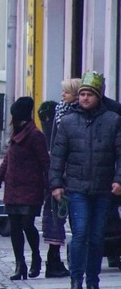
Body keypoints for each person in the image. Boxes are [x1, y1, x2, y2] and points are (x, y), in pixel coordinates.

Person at [49, 71, 121, 289]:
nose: (85, 98)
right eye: (82, 94)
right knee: (80, 234)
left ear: (99, 96)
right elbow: (58, 155)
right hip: (76, 187)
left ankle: (92, 280)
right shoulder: (69, 122)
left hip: (103, 188)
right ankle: (76, 279)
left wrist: (119, 179)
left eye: (90, 94)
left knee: (97, 237)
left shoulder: (113, 121)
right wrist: (56, 184)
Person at [0, 96, 50, 280]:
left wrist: (51, 185)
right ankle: (20, 264)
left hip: (31, 188)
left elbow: (45, 162)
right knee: (15, 227)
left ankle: (36, 257)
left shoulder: (35, 135)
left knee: (27, 224)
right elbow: (9, 158)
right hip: (13, 187)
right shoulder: (16, 133)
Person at [41, 78, 80, 278]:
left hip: (75, 174)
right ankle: (54, 261)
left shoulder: (78, 114)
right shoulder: (60, 113)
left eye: (67, 91)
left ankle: (73, 260)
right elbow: (55, 146)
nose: (63, 95)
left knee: (75, 220)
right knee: (55, 217)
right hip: (60, 174)